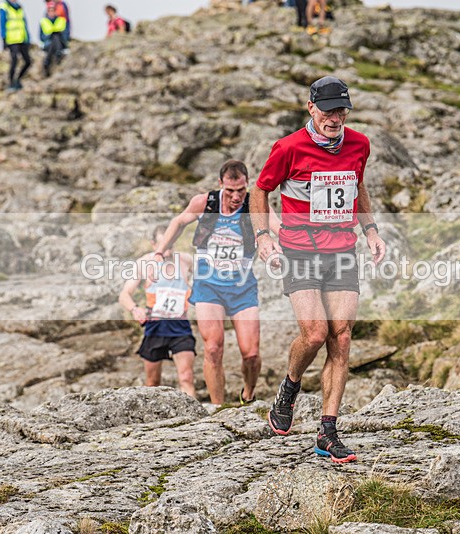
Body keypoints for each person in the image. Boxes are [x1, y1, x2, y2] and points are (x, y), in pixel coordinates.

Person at [250, 76, 386, 463]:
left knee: (341, 336)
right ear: (311, 107)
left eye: (341, 111)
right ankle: (290, 387)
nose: (335, 118)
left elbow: (358, 185)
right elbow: (260, 190)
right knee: (315, 333)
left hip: (343, 250)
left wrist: (371, 230)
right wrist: (263, 236)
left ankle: (328, 430)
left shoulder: (360, 144)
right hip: (299, 250)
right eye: (327, 111)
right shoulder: (288, 147)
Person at [154, 160, 281, 406]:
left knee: (251, 354)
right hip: (208, 286)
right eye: (230, 190)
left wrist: (282, 250)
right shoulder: (205, 202)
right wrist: (161, 250)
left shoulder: (255, 203)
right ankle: (218, 407)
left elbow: (278, 228)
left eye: (241, 190)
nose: (236, 196)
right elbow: (178, 223)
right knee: (213, 348)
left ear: (247, 184)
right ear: (220, 184)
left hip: (242, 288)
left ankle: (248, 394)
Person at [119, 226, 197, 397]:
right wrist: (134, 309)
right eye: (164, 245)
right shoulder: (144, 263)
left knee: (186, 377)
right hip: (155, 328)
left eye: (171, 245)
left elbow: (205, 280)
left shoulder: (185, 260)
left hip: (180, 327)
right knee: (153, 383)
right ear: (154, 245)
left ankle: (200, 421)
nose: (168, 251)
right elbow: (124, 295)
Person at [0, 0, 32, 91]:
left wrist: (27, 38)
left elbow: (24, 24)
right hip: (12, 39)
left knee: (28, 61)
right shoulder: (4, 7)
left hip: (22, 38)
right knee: (14, 60)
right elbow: (2, 23)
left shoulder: (19, 7)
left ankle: (18, 79)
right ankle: (11, 83)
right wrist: (3, 38)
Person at [39, 2, 68, 78]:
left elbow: (65, 34)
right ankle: (58, 54)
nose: (51, 12)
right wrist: (49, 35)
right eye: (50, 10)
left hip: (60, 42)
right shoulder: (43, 21)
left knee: (56, 36)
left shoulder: (61, 20)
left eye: (53, 10)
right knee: (53, 39)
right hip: (48, 43)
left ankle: (47, 61)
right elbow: (41, 37)